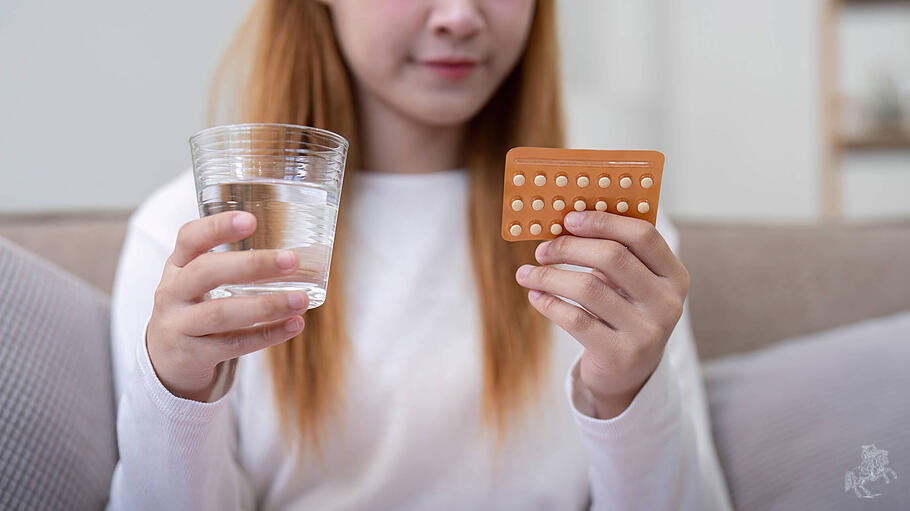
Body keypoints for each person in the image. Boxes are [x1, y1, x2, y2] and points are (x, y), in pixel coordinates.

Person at [108, 0, 733, 509]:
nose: (459, 17)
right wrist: (177, 395)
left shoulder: (617, 251)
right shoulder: (185, 238)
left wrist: (626, 395)